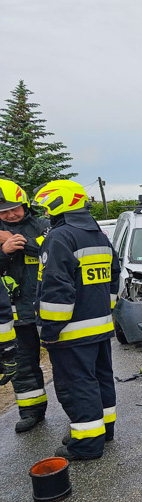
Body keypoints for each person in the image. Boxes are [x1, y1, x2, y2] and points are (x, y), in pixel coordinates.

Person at [33, 180, 120, 460]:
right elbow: (114, 277)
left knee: (77, 386)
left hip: (70, 332)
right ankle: (104, 430)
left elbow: (56, 289)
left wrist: (49, 330)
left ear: (59, 204)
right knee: (101, 379)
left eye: (47, 208)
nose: (46, 214)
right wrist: (102, 310)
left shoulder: (60, 237)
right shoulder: (98, 234)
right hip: (100, 327)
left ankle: (86, 444)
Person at [0, 179, 51, 432]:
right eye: (3, 211)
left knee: (65, 363)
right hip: (16, 313)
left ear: (24, 203)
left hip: (48, 309)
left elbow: (54, 249)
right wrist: (4, 252)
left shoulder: (42, 224)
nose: (10, 214)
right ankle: (32, 412)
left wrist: (20, 241)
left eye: (14, 208)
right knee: (23, 366)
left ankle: (78, 410)